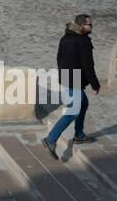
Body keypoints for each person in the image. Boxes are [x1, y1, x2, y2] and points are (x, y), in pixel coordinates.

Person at [41, 13, 100, 159]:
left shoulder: (65, 37)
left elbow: (59, 58)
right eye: (89, 24)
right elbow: (88, 66)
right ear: (81, 26)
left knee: (83, 104)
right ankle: (51, 139)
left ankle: (79, 134)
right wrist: (95, 84)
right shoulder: (83, 42)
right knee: (72, 112)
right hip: (74, 79)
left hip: (67, 76)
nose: (91, 26)